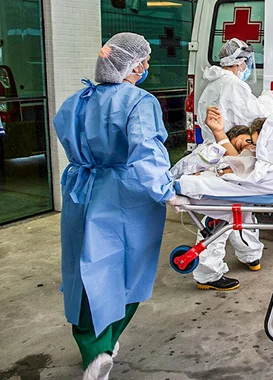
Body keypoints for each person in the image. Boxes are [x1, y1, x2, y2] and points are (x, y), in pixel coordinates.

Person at [53, 33, 185, 380]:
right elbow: (146, 149)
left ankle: (94, 347)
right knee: (126, 272)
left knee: (85, 272)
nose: (146, 66)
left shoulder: (74, 101)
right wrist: (166, 191)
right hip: (125, 195)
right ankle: (102, 348)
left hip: (82, 191)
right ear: (133, 65)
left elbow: (68, 140)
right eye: (144, 61)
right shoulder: (139, 101)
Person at [192, 38, 273, 291]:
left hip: (221, 149)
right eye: (247, 62)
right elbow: (255, 115)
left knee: (242, 207)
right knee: (220, 212)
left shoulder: (212, 84)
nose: (248, 66)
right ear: (240, 62)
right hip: (226, 152)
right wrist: (269, 99)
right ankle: (208, 272)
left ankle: (250, 254)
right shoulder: (233, 85)